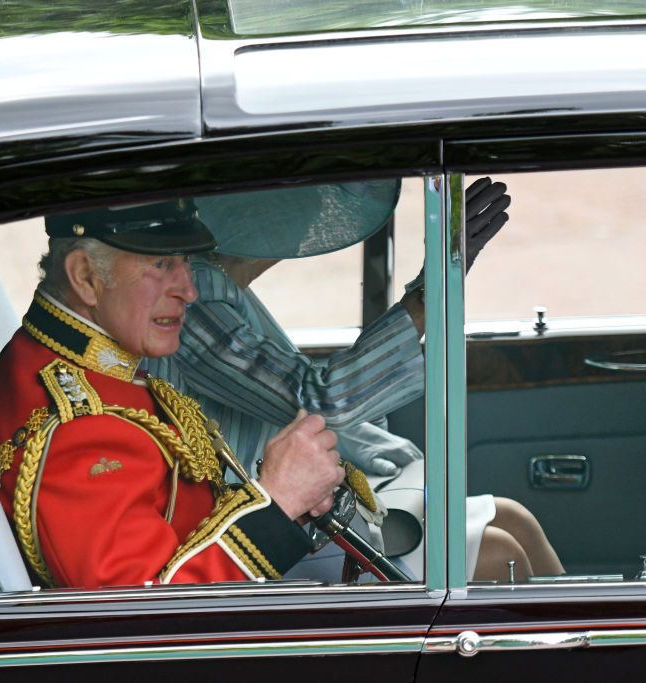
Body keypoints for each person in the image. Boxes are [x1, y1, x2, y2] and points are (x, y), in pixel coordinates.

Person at [143, 178, 564, 582]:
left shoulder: (222, 290)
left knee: (513, 518)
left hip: (298, 506)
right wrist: (426, 294)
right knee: (499, 552)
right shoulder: (197, 299)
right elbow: (322, 400)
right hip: (255, 531)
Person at [0, 200, 346, 589]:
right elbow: (146, 618)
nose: (188, 290)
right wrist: (279, 501)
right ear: (85, 277)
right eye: (160, 264)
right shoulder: (79, 431)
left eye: (185, 259)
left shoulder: (74, 362)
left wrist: (284, 503)